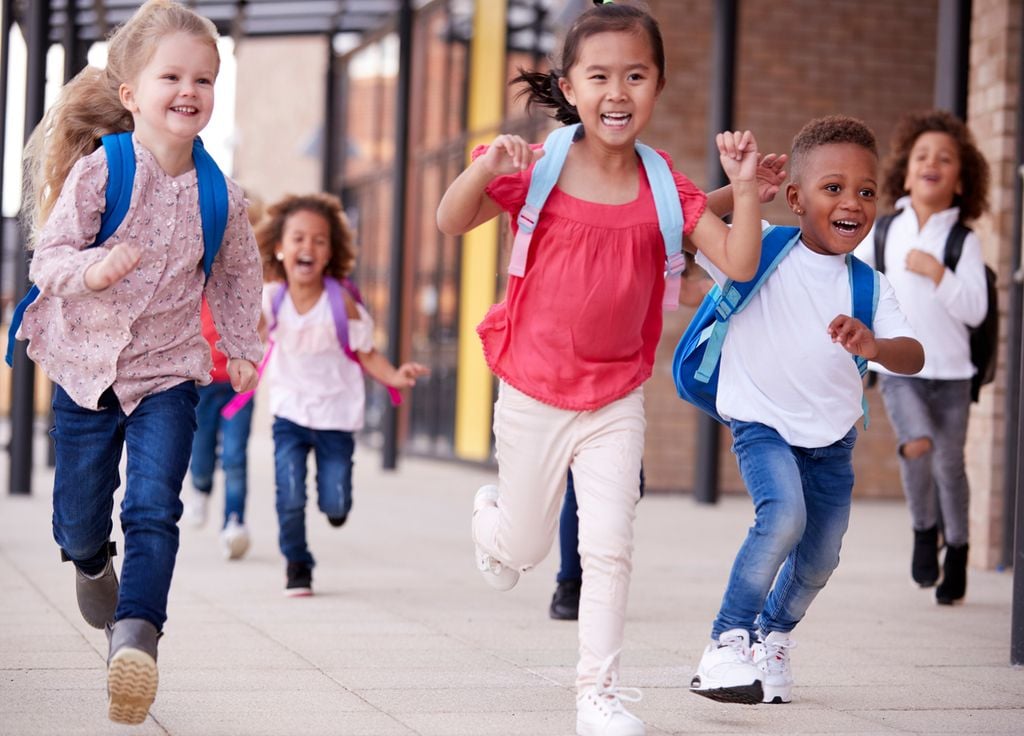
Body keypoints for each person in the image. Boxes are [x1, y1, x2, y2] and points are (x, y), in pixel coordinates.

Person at [436, 3, 765, 733]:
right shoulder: (542, 165)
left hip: (616, 395)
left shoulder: (663, 185)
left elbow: (737, 264)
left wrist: (742, 187)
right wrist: (487, 164)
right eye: (601, 76)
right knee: (522, 548)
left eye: (636, 76)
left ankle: (598, 694)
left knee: (609, 547)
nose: (619, 92)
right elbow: (451, 221)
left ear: (658, 85)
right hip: (531, 386)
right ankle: (490, 520)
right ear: (570, 87)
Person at [14, 0, 262, 724]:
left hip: (168, 376)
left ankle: (137, 640)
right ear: (131, 93)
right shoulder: (102, 172)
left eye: (205, 80)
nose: (190, 91)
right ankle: (90, 561)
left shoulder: (223, 197)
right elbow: (48, 257)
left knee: (155, 507)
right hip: (87, 371)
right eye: (172, 76)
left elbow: (239, 277)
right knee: (81, 519)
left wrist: (243, 347)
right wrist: (91, 271)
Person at [686, 116, 924, 706]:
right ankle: (726, 640)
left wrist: (874, 345)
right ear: (795, 198)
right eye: (833, 188)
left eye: (866, 192)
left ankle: (773, 635)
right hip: (761, 426)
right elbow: (680, 222)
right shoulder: (757, 247)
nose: (853, 202)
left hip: (831, 444)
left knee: (821, 558)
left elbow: (914, 355)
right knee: (782, 517)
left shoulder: (870, 286)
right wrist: (740, 188)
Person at [255, 193, 428, 597]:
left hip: (336, 415)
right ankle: (297, 564)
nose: (307, 247)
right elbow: (250, 341)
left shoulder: (341, 301)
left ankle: (335, 506)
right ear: (280, 248)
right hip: (290, 412)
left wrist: (395, 377)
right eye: (298, 238)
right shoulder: (271, 298)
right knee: (290, 491)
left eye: (319, 240)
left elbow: (367, 352)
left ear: (330, 252)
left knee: (334, 503)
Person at [853, 110, 989, 605]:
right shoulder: (886, 232)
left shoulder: (962, 241)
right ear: (907, 173)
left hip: (952, 374)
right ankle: (921, 531)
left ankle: (957, 549)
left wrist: (938, 273)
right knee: (917, 445)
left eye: (945, 158)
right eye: (922, 156)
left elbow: (975, 309)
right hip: (899, 370)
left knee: (950, 463)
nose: (932, 163)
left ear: (959, 181)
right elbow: (854, 282)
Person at [183, 194, 266, 560]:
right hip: (201, 382)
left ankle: (234, 521)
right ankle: (200, 486)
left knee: (234, 455)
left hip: (239, 388)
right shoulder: (197, 273)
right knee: (201, 455)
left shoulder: (252, 278)